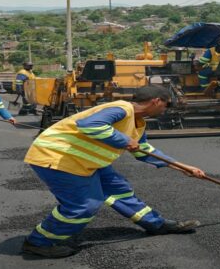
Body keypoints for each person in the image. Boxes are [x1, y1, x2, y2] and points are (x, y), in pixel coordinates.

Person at [21, 85, 206, 258]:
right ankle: (38, 242)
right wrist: (124, 140)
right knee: (84, 206)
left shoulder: (138, 122)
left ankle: (155, 224)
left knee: (119, 190)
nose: (164, 111)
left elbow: (144, 151)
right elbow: (90, 125)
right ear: (156, 101)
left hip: (88, 162)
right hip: (57, 157)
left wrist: (183, 167)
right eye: (165, 106)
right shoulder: (121, 108)